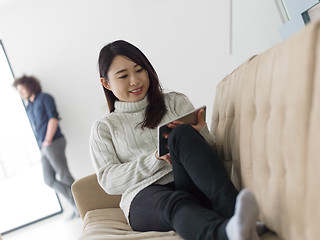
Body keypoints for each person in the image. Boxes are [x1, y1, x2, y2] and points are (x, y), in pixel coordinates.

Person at [89, 40, 260, 240]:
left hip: (187, 181)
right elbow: (109, 181)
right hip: (143, 197)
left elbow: (211, 151)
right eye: (123, 76)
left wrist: (199, 132)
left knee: (180, 134)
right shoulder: (104, 128)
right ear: (106, 83)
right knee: (177, 202)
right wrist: (154, 159)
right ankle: (227, 233)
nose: (135, 81)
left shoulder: (174, 102)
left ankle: (234, 214)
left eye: (139, 70)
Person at [13, 75, 79, 219]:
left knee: (64, 175)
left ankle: (81, 205)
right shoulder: (29, 107)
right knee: (49, 179)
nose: (21, 93)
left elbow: (53, 118)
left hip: (53, 142)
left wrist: (48, 140)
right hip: (44, 146)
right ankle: (77, 205)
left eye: (21, 89)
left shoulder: (45, 98)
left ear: (30, 86)